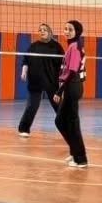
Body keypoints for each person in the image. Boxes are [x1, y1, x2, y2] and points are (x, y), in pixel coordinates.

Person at [17, 23, 64, 137]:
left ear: (50, 32)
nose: (42, 31)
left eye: (44, 30)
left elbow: (63, 64)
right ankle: (24, 129)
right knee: (32, 106)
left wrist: (62, 80)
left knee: (59, 106)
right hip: (35, 81)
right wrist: (24, 71)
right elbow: (26, 61)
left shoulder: (56, 46)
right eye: (40, 30)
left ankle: (68, 129)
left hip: (51, 81)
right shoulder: (33, 46)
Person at [53, 19, 88, 168]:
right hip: (71, 86)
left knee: (72, 124)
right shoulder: (74, 45)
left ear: (77, 32)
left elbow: (72, 71)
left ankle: (81, 159)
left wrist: (59, 91)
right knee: (60, 121)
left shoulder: (75, 47)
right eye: (65, 29)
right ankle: (75, 151)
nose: (66, 32)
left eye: (70, 29)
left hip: (72, 86)